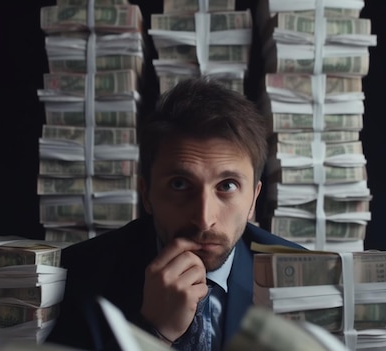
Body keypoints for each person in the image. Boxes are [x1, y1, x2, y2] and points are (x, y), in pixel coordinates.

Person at [45, 78, 304, 351]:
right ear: (146, 194)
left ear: (254, 198)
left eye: (227, 186)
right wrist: (154, 330)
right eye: (180, 184)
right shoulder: (77, 276)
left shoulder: (297, 281)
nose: (204, 219)